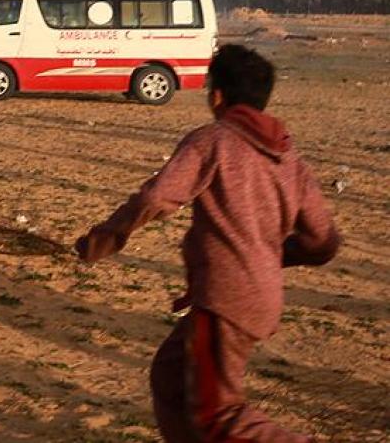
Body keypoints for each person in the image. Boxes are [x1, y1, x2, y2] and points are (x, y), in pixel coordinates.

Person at [74, 44, 340, 443]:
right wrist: (274, 255)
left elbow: (157, 197)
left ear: (217, 96)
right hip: (258, 296)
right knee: (169, 376)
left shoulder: (212, 141)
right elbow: (323, 240)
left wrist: (105, 239)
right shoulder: (290, 159)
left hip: (226, 298)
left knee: (219, 415)